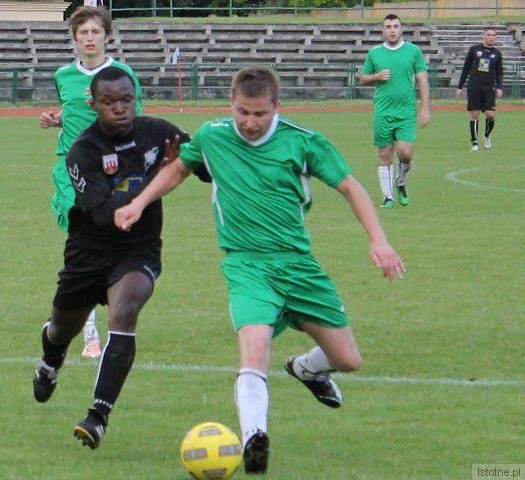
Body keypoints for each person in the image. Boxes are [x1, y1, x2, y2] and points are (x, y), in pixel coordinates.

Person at [114, 67, 405, 475]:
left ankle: (305, 369)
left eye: (259, 114)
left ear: (276, 107)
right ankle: (255, 438)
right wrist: (139, 203)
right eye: (242, 112)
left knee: (348, 359)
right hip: (246, 264)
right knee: (254, 349)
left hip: (298, 265)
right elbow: (178, 169)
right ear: (231, 104)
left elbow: (350, 187)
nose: (249, 122)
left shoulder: (302, 142)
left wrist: (379, 240)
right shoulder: (213, 136)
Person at [32, 66, 210, 450]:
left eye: (126, 100)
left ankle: (98, 416)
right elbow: (105, 213)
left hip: (137, 249)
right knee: (62, 329)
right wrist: (161, 177)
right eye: (109, 101)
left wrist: (201, 164)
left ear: (135, 100)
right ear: (93, 105)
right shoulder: (83, 151)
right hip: (88, 253)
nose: (119, 108)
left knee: (124, 312)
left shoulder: (159, 132)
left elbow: (203, 166)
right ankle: (51, 359)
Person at [39, 6, 143, 358]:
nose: (89, 38)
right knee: (81, 239)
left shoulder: (122, 75)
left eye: (95, 32)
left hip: (110, 168)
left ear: (106, 36)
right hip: (70, 167)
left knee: (105, 244)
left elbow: (136, 121)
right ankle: (90, 333)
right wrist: (56, 120)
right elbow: (71, 112)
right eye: (83, 32)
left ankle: (88, 309)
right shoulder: (64, 75)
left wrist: (104, 108)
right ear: (74, 38)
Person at [359, 13, 430, 208]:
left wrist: (424, 108)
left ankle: (400, 181)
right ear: (383, 31)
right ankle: (388, 197)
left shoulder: (413, 51)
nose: (392, 30)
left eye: (396, 26)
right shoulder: (375, 53)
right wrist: (377, 76)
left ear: (401, 29)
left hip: (406, 112)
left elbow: (423, 79)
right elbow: (363, 78)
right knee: (385, 154)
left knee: (405, 153)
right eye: (388, 27)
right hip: (383, 111)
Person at [456, 27, 503, 152]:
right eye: (488, 34)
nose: (491, 37)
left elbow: (499, 72)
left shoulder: (497, 54)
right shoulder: (474, 50)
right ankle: (475, 143)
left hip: (489, 88)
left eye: (493, 35)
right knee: (474, 115)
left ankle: (487, 135)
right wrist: (460, 87)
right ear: (483, 36)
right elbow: (466, 68)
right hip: (474, 87)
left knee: (490, 115)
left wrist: (499, 87)